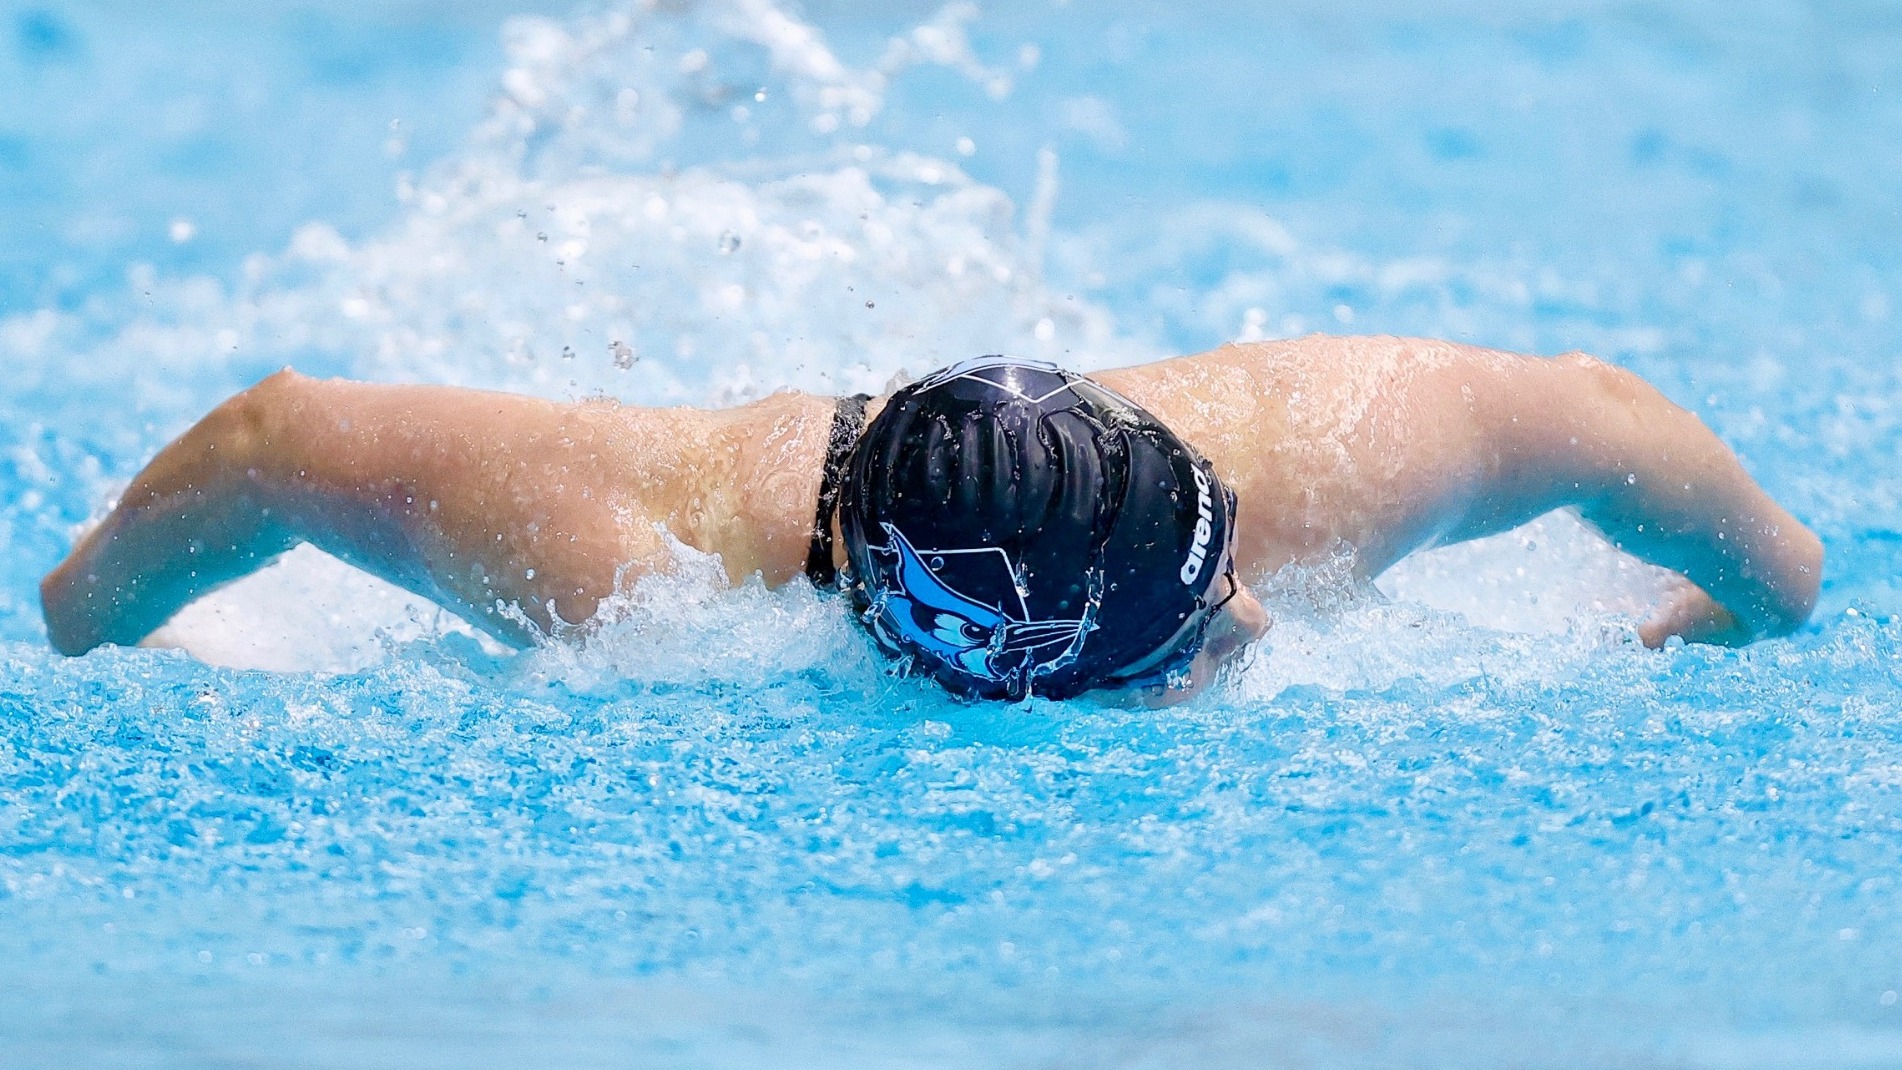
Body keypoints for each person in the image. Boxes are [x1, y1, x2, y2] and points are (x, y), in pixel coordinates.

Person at [38, 335, 1822, 704]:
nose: (1250, 626)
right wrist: (89, 620)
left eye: (1216, 587)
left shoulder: (1321, 459)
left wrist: (1754, 594)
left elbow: (1601, 414)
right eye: (1180, 643)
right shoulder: (630, 572)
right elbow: (275, 434)